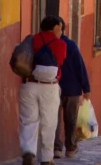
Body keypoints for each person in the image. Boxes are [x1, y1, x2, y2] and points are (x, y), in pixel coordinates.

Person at [20, 16, 67, 165]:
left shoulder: (31, 40)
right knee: (49, 123)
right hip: (49, 87)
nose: (61, 31)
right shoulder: (60, 44)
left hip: (29, 85)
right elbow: (60, 60)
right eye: (60, 28)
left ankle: (28, 152)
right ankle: (46, 158)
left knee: (28, 120)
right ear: (53, 28)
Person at [54, 18, 91, 160]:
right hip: (72, 89)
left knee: (55, 120)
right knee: (71, 120)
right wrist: (86, 88)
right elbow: (80, 67)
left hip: (54, 87)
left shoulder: (50, 45)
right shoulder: (71, 45)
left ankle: (56, 148)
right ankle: (70, 148)